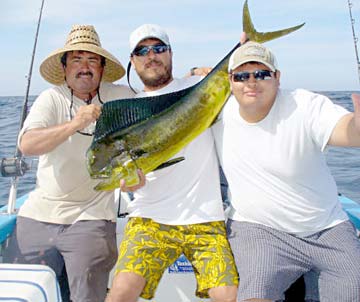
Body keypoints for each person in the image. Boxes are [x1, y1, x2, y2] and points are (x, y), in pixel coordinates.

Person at [213, 41, 360, 302]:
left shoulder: (304, 104)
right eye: (242, 76)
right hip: (259, 229)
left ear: (277, 77)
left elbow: (350, 131)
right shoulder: (216, 113)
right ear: (230, 81)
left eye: (261, 74)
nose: (251, 82)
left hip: (327, 227)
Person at [106, 24, 239, 302]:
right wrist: (128, 184)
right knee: (119, 292)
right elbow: (123, 172)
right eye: (142, 50)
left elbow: (240, 75)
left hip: (206, 219)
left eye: (158, 48)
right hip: (149, 220)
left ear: (170, 54)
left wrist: (243, 45)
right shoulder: (131, 110)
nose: (151, 55)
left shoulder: (197, 88)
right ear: (133, 60)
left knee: (228, 295)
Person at [3, 24, 135, 302]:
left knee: (87, 290)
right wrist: (75, 123)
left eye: (92, 60)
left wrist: (193, 75)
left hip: (91, 216)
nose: (84, 67)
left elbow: (161, 100)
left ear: (101, 68)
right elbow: (27, 145)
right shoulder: (51, 98)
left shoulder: (121, 96)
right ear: (64, 68)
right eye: (76, 59)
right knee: (21, 290)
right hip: (39, 213)